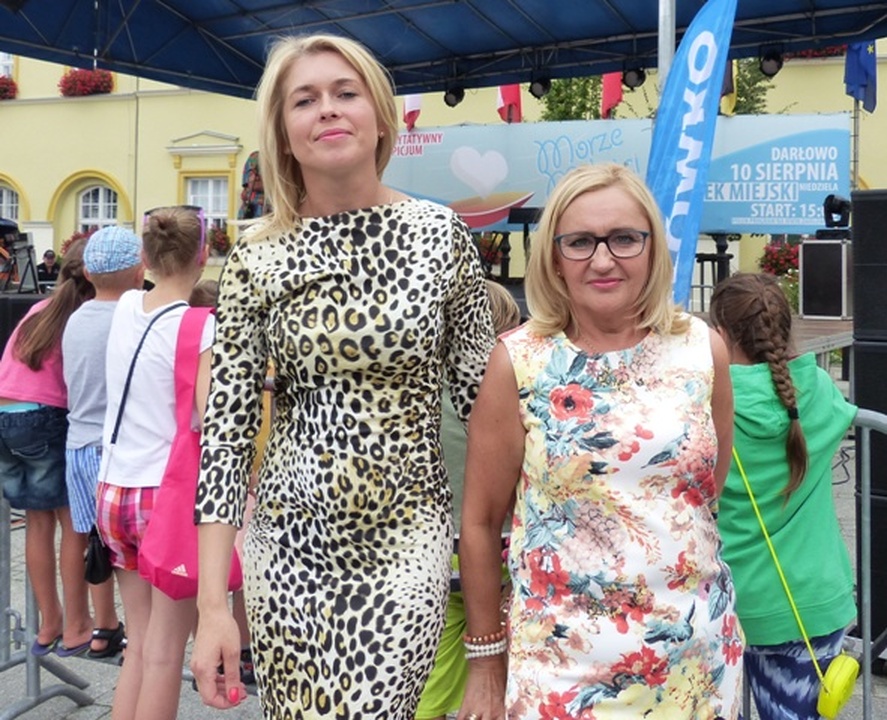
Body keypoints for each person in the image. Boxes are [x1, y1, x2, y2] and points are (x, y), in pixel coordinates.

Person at [190, 32, 496, 718]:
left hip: (405, 542)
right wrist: (212, 608)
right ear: (283, 133)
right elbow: (226, 436)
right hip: (286, 549)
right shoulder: (255, 257)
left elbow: (486, 402)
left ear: (380, 117)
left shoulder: (439, 235)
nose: (327, 109)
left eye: (345, 92)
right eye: (304, 100)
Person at [458, 163, 743, 719]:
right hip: (561, 668)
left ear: (652, 248)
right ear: (554, 257)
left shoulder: (702, 351)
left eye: (624, 239)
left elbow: (704, 493)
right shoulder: (518, 362)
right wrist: (486, 665)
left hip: (695, 662)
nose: (604, 259)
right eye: (581, 242)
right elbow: (480, 523)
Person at [708, 272, 857, 720]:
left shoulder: (709, 404)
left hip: (731, 599)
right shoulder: (818, 390)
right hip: (815, 598)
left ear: (720, 334)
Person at [95, 206, 213, 720]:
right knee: (166, 653)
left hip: (113, 491)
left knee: (140, 644)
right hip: (164, 495)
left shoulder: (126, 305)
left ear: (145, 256)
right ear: (203, 256)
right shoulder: (200, 326)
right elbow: (211, 420)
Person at [416, 279, 521, 720]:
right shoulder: (509, 389)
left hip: (437, 549)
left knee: (432, 674)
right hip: (500, 548)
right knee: (507, 675)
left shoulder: (423, 391)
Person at [0, 238, 96, 657]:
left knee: (38, 524)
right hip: (43, 417)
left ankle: (48, 623)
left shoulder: (40, 309)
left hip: (6, 415)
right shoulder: (82, 317)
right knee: (74, 523)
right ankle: (77, 625)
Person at [62, 226, 144, 659]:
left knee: (96, 541)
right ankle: (138, 634)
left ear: (89, 273)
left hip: (78, 444)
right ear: (140, 271)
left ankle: (103, 626)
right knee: (130, 547)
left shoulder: (76, 318)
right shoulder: (132, 319)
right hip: (115, 449)